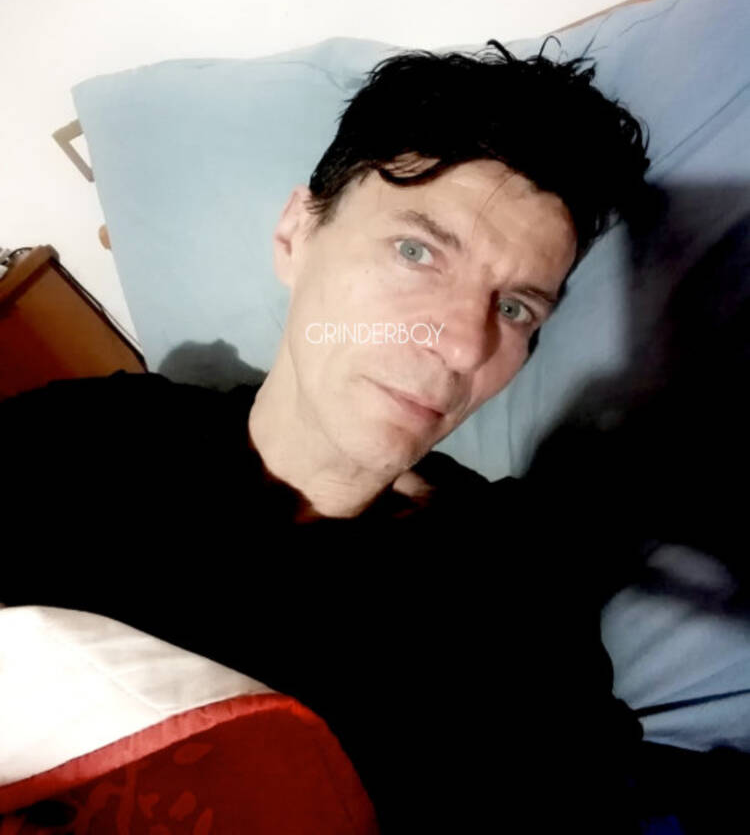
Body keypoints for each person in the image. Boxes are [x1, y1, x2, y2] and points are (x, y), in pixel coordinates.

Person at [1, 41, 655, 832]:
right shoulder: (79, 443)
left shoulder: (515, 595)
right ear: (296, 234)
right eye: (416, 252)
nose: (463, 344)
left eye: (515, 308)